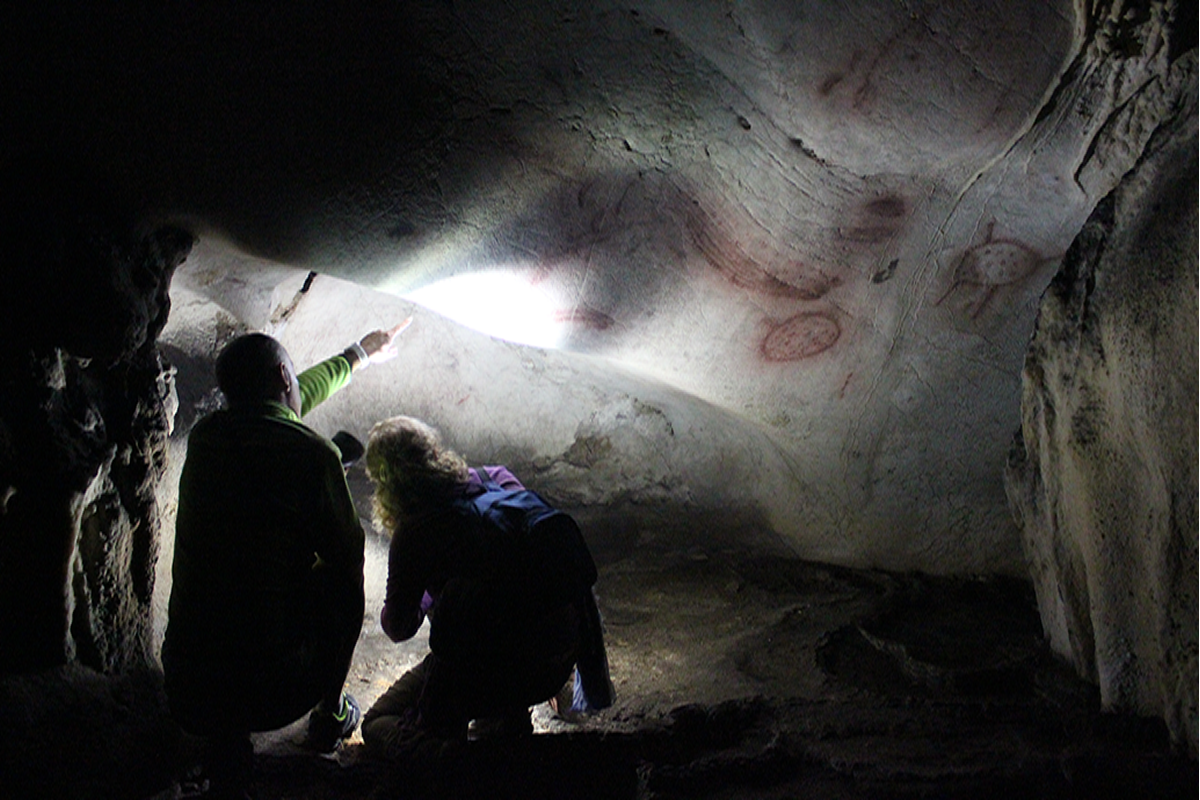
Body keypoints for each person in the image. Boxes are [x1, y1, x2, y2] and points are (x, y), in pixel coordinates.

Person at [161, 320, 410, 797]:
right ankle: (330, 713)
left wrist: (356, 354)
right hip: (271, 696)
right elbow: (343, 560)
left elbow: (277, 417)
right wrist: (329, 467)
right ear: (282, 375)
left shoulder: (207, 437)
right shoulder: (313, 455)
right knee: (340, 578)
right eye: (293, 378)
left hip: (188, 688)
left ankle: (224, 745)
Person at [359, 415, 614, 760]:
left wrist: (424, 589)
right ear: (435, 450)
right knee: (495, 610)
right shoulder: (496, 478)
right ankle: (510, 719)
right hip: (558, 658)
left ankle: (444, 757)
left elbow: (399, 628)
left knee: (377, 722)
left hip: (483, 673)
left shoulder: (415, 532)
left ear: (384, 484)